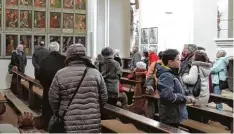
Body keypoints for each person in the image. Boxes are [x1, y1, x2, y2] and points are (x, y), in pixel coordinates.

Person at [49, 44, 108, 133]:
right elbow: (103, 98)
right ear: (84, 56)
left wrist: (59, 112)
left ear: (68, 56)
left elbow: (53, 99)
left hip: (69, 120)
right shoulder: (95, 73)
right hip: (92, 120)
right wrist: (94, 109)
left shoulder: (60, 74)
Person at [157, 49, 196, 128]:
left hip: (176, 113)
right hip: (170, 114)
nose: (180, 61)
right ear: (170, 62)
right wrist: (185, 98)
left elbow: (181, 87)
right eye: (177, 59)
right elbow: (167, 96)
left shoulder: (175, 73)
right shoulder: (166, 75)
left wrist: (189, 94)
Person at [38, 42, 65, 131]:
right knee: (61, 107)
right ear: (59, 49)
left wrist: (44, 84)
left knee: (47, 107)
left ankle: (47, 125)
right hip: (62, 89)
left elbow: (40, 75)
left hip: (48, 88)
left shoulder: (44, 60)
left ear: (49, 50)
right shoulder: (65, 59)